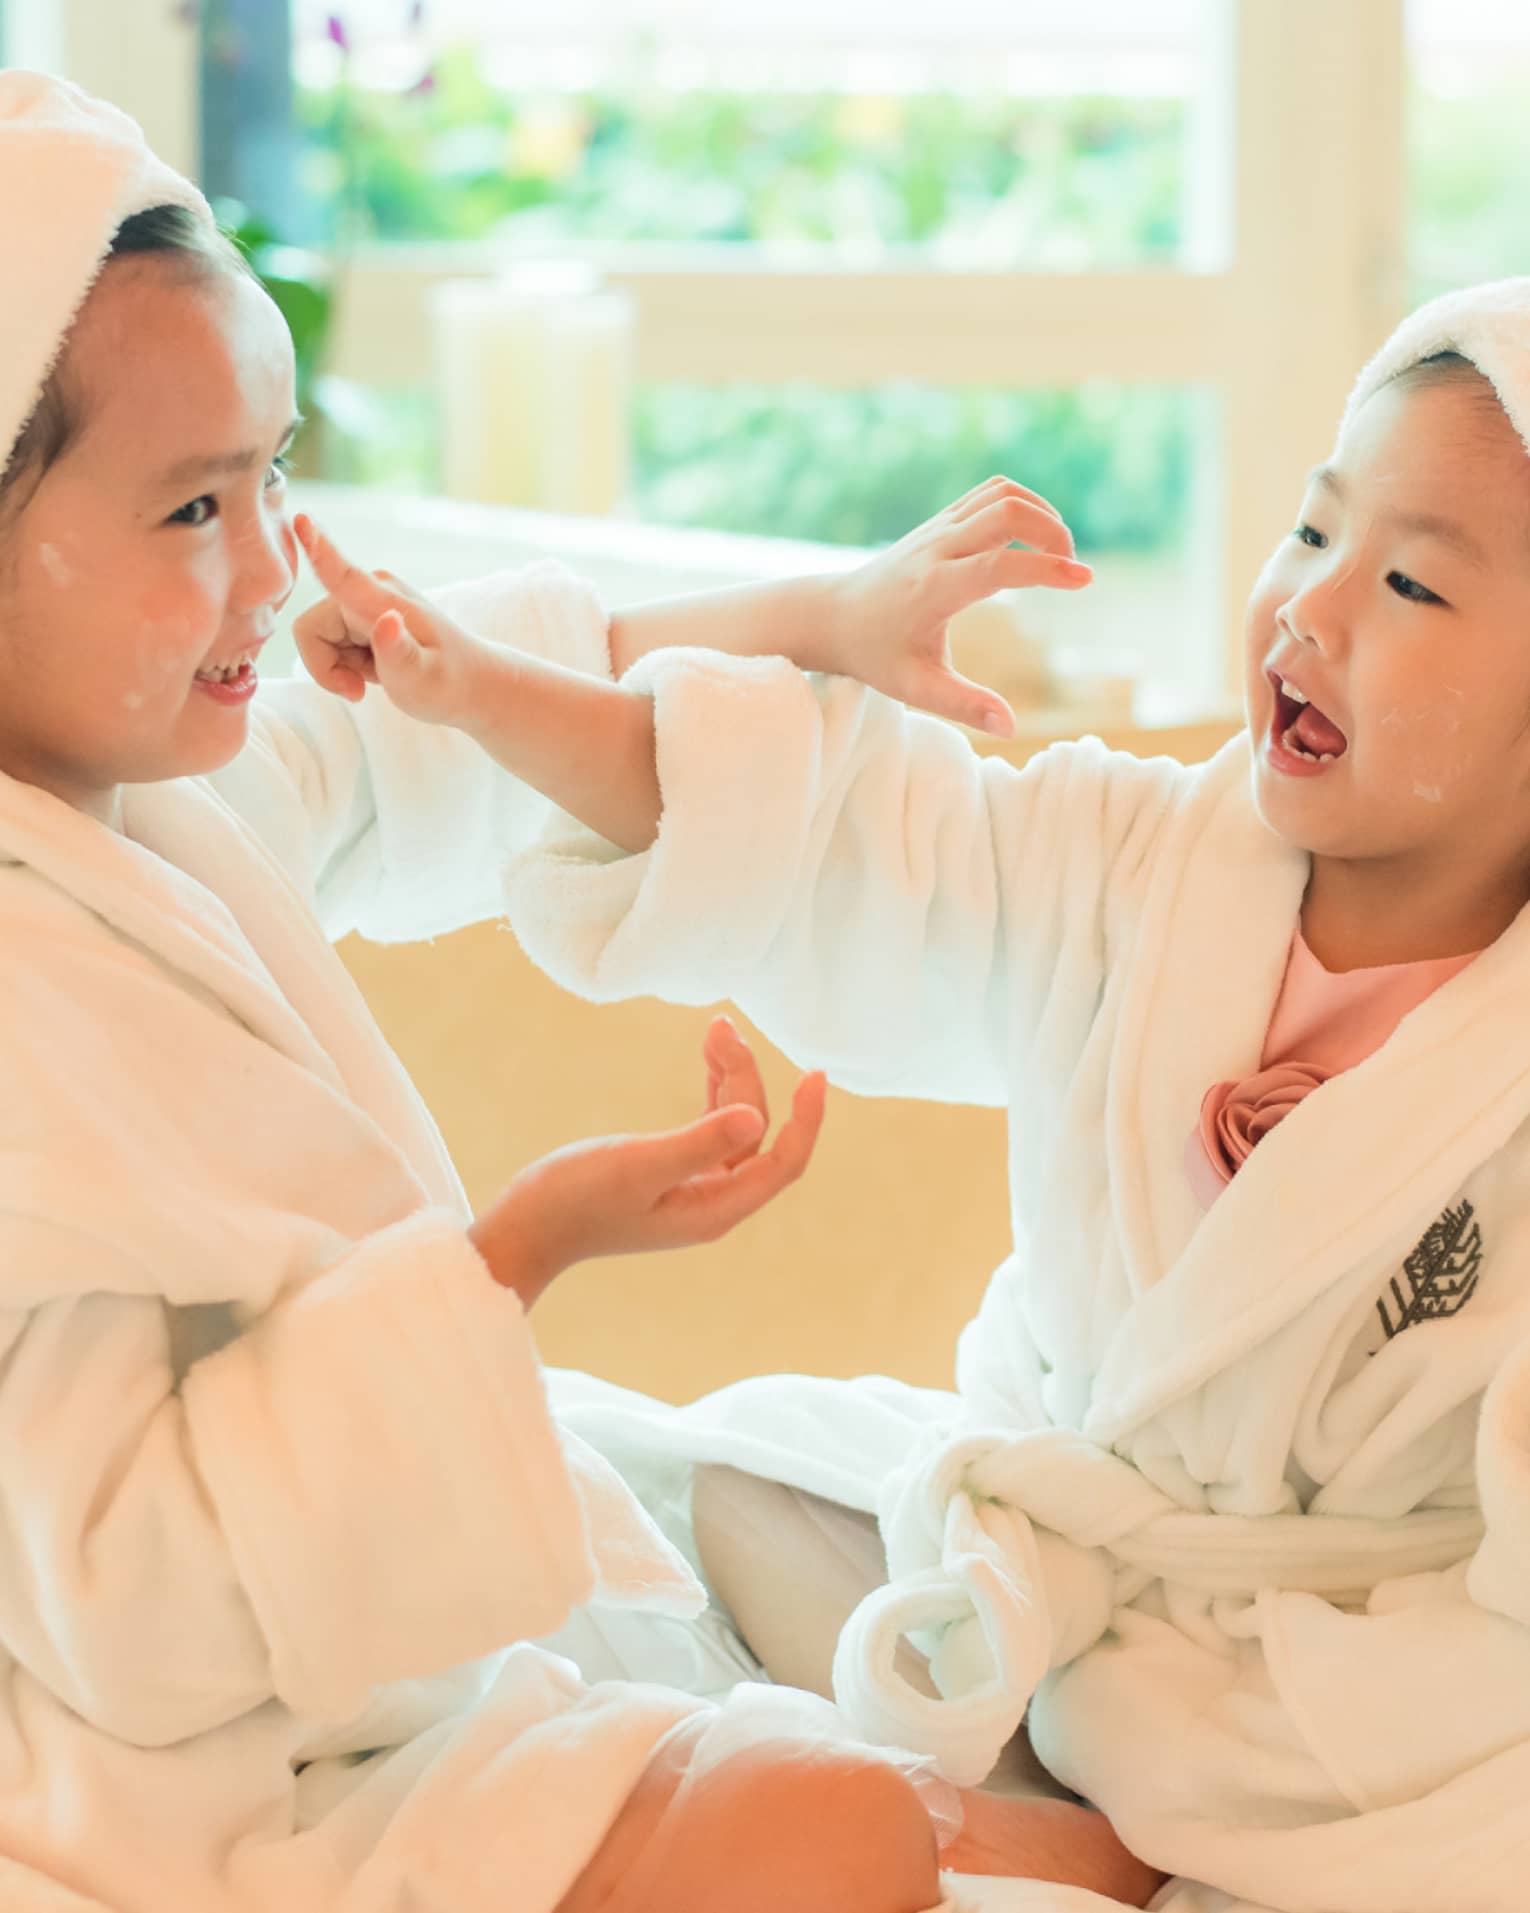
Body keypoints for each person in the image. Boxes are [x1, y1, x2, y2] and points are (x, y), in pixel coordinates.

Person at [0, 68, 1108, 1913]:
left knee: (943, 1713)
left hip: (371, 1678)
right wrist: (515, 1254)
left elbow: (461, 710)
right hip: (191, 1791)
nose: (275, 569)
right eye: (193, 508)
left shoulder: (144, 814)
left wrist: (814, 614)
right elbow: (127, 1603)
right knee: (837, 1826)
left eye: (275, 479)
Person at [300, 276, 1530, 1911]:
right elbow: (837, 852)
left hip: (1338, 1739)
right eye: (1307, 534)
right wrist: (481, 695)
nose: (1307, 614)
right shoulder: (1141, 860)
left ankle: (1095, 1842)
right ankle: (982, 1802)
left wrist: (1201, 1814)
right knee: (544, 1505)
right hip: (1037, 1586)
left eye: (1406, 584)